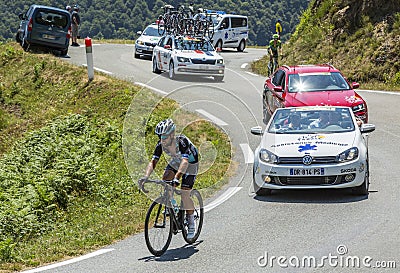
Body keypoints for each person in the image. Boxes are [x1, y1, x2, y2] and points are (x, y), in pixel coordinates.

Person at [138, 119, 199, 239]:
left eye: (165, 136)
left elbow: (185, 162)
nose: (163, 139)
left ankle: (191, 223)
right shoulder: (161, 144)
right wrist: (146, 177)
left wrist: (177, 178)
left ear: (172, 134)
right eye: (160, 136)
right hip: (177, 161)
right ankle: (171, 205)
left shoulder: (181, 141)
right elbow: (153, 162)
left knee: (184, 194)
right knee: (166, 179)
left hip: (190, 164)